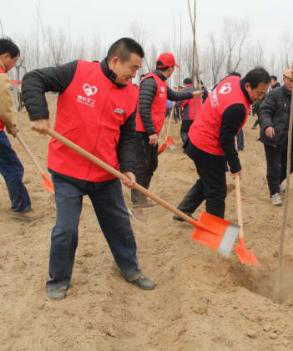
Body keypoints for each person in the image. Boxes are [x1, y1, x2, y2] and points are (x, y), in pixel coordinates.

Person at [22, 37, 155, 300]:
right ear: (115, 61)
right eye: (133, 68)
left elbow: (128, 138)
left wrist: (128, 168)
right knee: (66, 228)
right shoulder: (79, 71)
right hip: (67, 169)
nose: (134, 74)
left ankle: (131, 269)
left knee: (119, 224)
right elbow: (33, 78)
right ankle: (59, 278)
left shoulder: (131, 94)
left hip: (105, 173)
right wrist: (38, 114)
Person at [175, 68, 270, 219]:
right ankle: (214, 228)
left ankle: (182, 211)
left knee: (208, 179)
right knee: (217, 192)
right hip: (206, 146)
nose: (261, 97)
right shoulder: (237, 107)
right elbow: (226, 139)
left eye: (264, 93)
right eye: (259, 93)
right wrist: (235, 166)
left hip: (196, 136)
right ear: (247, 86)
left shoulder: (231, 80)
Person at [132, 53, 199, 208]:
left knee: (151, 165)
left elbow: (175, 95)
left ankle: (142, 196)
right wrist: (151, 132)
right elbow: (143, 107)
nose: (173, 71)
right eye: (173, 68)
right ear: (169, 68)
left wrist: (193, 94)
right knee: (143, 166)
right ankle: (137, 201)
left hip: (150, 133)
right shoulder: (150, 81)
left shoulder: (161, 82)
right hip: (143, 133)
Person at [258, 69, 293, 206]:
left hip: (290, 138)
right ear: (284, 79)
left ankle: (276, 184)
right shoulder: (274, 94)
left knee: (291, 165)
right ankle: (274, 193)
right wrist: (267, 126)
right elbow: (264, 111)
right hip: (273, 137)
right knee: (274, 168)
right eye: (290, 80)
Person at [0, 38, 35, 221]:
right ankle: (21, 207)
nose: (13, 66)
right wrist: (11, 126)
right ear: (6, 56)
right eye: (14, 61)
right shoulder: (0, 75)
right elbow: (4, 106)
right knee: (13, 168)